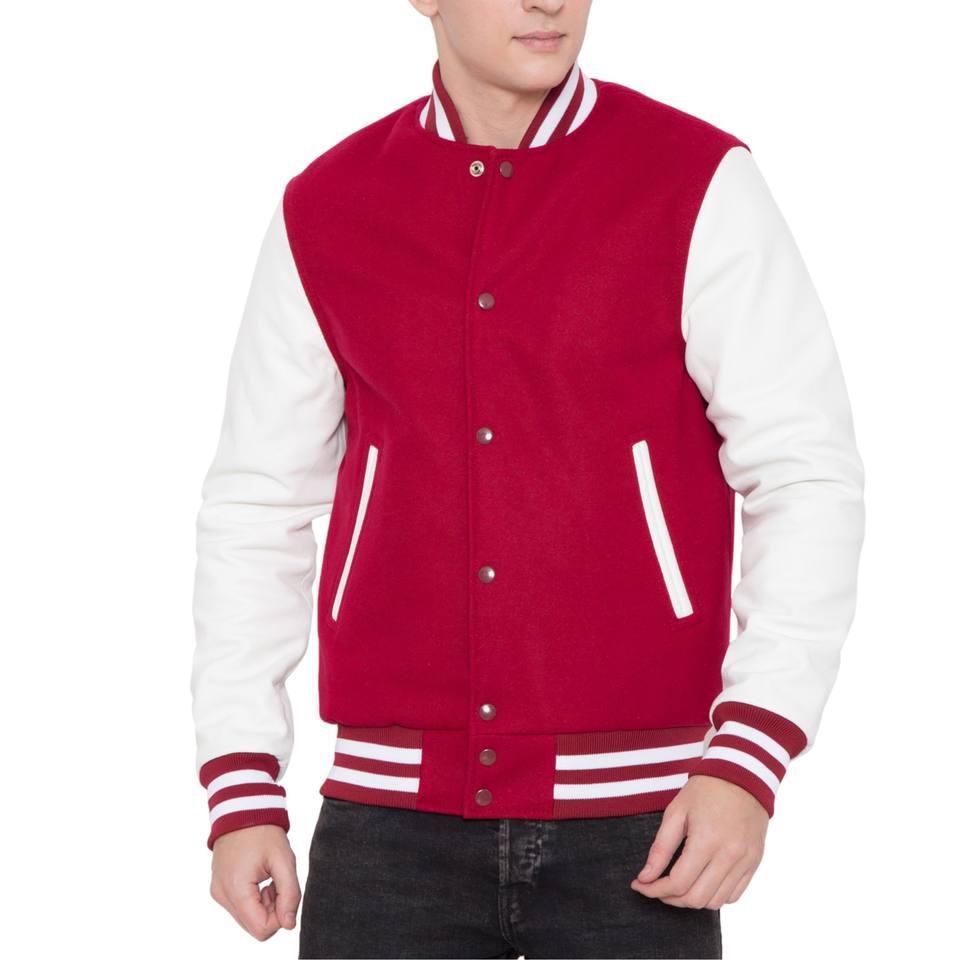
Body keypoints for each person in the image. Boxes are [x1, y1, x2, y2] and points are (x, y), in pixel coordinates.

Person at [190, 1, 866, 957]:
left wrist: (751, 751)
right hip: (388, 826)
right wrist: (242, 782)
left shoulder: (695, 180)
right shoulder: (329, 206)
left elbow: (805, 473)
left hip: (646, 826)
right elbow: (257, 504)